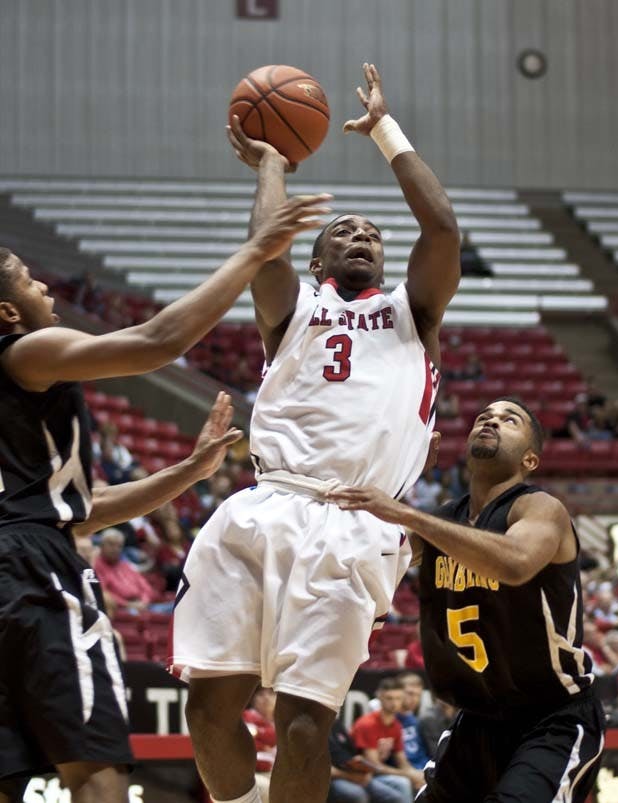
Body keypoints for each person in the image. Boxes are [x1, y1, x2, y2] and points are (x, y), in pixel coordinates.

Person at [173, 61, 460, 803]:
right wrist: (271, 163)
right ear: (316, 256)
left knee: (304, 721)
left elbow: (442, 227)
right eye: (344, 230)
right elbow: (262, 249)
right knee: (207, 700)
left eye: (371, 233)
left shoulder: (412, 314)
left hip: (355, 516)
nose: (361, 235)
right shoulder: (290, 308)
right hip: (263, 502)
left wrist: (386, 133)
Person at [0, 184, 325, 803]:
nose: (44, 288)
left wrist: (187, 471)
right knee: (92, 766)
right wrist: (257, 252)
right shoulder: (25, 352)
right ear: (7, 313)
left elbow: (74, 511)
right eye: (27, 281)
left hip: (17, 551)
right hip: (34, 572)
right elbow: (158, 343)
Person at [329, 397, 605, 802]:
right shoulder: (445, 519)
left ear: (530, 459)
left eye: (509, 420)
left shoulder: (539, 508)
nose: (491, 420)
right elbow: (369, 555)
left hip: (552, 716)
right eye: (484, 417)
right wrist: (402, 478)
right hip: (478, 718)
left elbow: (515, 563)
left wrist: (410, 514)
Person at [350, 678, 422, 799]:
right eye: (389, 698)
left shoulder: (396, 725)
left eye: (398, 698)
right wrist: (406, 775)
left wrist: (416, 774)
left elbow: (402, 761)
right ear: (380, 697)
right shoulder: (367, 724)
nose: (394, 703)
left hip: (380, 773)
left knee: (422, 781)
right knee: (403, 784)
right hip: (362, 774)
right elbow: (374, 765)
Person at [395, 672, 429, 771]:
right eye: (410, 693)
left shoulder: (415, 720)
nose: (414, 699)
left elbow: (423, 753)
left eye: (418, 695)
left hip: (422, 768)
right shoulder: (389, 720)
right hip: (403, 771)